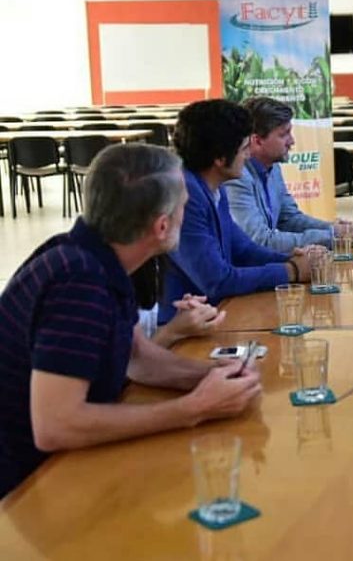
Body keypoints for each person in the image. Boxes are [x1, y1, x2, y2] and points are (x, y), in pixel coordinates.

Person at [0, 143, 262, 498]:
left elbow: (137, 357)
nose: (188, 213)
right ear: (162, 226)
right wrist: (193, 408)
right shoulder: (79, 283)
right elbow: (55, 426)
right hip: (28, 490)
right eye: (185, 206)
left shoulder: (96, 255)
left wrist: (213, 376)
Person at [160, 99, 310, 324]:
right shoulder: (186, 196)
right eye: (244, 149)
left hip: (216, 314)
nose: (249, 156)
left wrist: (293, 259)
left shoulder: (213, 186)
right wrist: (291, 271)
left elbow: (244, 250)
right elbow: (217, 280)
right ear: (220, 159)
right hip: (187, 328)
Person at [224, 96, 353, 252]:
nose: (292, 141)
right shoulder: (236, 178)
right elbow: (259, 241)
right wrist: (330, 236)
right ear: (257, 140)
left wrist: (332, 228)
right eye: (284, 134)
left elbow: (289, 219)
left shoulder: (273, 167)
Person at [132, 256, 225, 348]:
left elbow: (147, 333)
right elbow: (131, 356)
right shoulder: (126, 271)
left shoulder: (151, 262)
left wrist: (183, 320)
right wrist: (172, 331)